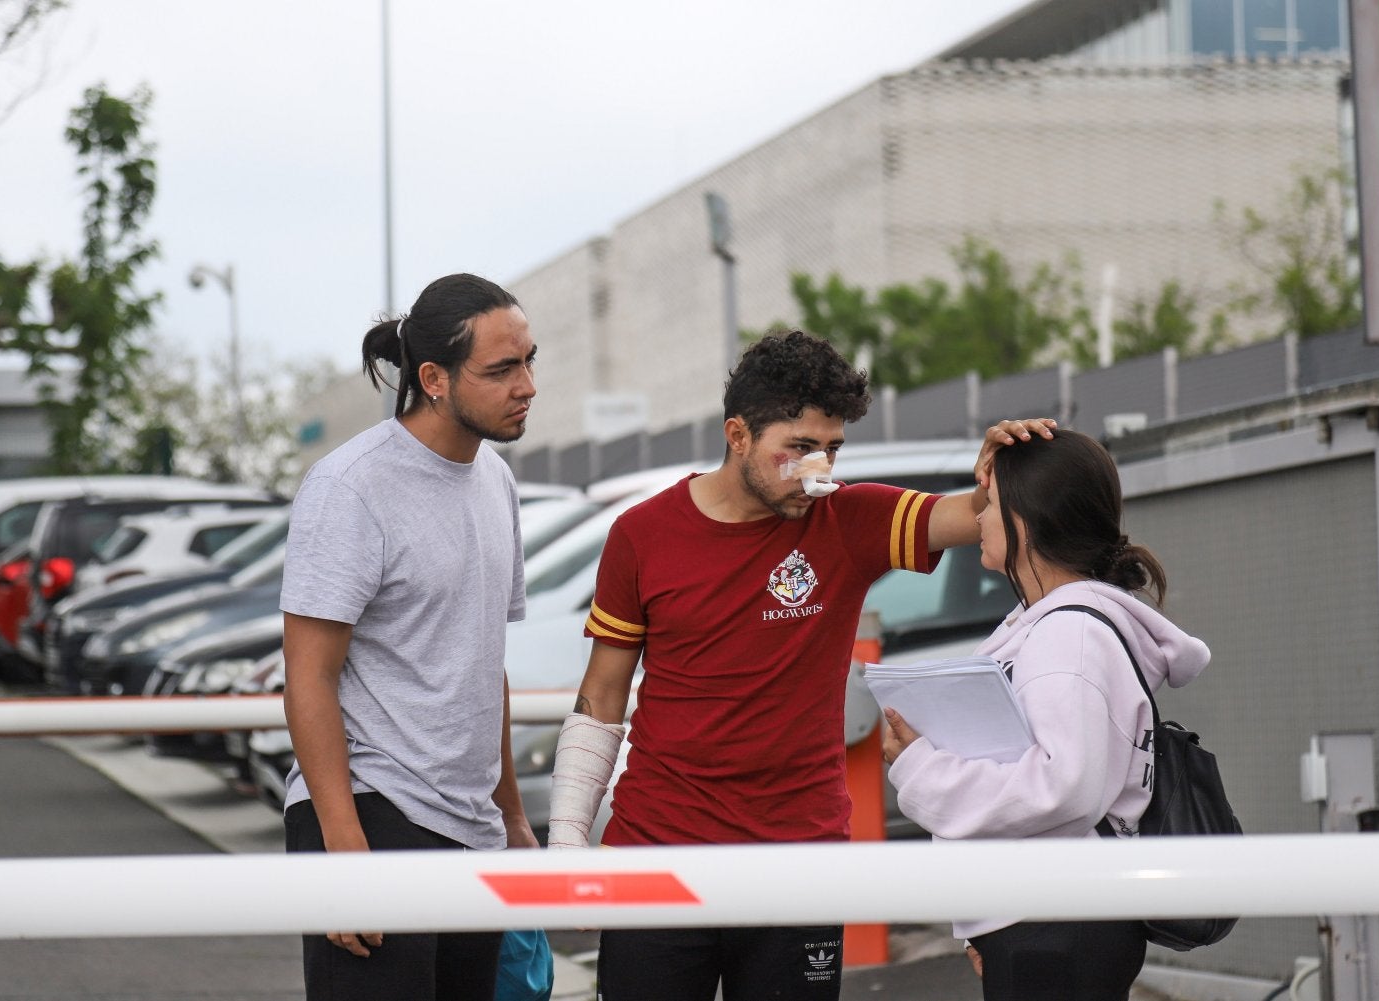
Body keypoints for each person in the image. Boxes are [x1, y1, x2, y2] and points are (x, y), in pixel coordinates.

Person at [546, 328, 1056, 1001]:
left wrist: (1003, 464)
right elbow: (601, 699)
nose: (819, 469)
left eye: (833, 448)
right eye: (799, 448)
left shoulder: (847, 519)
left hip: (800, 858)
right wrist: (564, 846)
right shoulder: (640, 534)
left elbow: (980, 513)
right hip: (657, 854)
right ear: (737, 435)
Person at [881, 428, 1212, 1001]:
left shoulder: (1068, 636)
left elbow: (1064, 788)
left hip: (1056, 918)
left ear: (1025, 525)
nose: (977, 518)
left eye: (990, 505)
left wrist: (918, 769)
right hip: (1051, 915)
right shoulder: (1057, 624)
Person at [281, 272, 539, 1001]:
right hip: (371, 805)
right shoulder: (351, 486)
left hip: (470, 820)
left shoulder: (497, 480)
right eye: (501, 370)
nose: (526, 385)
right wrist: (344, 847)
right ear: (432, 378)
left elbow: (484, 665)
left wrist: (512, 816)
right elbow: (307, 675)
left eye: (529, 360)